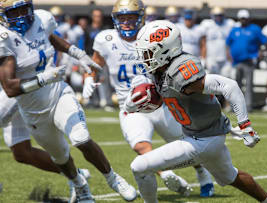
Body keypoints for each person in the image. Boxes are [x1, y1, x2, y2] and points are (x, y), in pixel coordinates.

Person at [126, 20, 267, 203]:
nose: (145, 57)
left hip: (201, 141)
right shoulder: (161, 70)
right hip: (205, 135)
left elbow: (230, 86)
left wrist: (245, 124)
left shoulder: (181, 70)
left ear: (165, 50)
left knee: (139, 167)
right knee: (231, 177)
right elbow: (189, 101)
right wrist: (136, 104)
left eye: (148, 52)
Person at [0, 0, 136, 202]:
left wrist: (78, 54)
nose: (21, 16)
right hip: (32, 108)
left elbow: (50, 38)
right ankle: (80, 185)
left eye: (23, 9)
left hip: (58, 92)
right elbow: (10, 88)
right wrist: (43, 78)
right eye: (14, 12)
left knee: (81, 138)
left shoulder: (42, 19)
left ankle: (113, 178)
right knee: (60, 156)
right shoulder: (5, 39)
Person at [84, 0, 215, 197]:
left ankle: (203, 173)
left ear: (141, 18)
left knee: (184, 143)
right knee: (139, 144)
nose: (126, 22)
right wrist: (89, 79)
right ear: (115, 19)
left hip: (160, 102)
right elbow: (94, 64)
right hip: (130, 106)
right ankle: (166, 173)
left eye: (131, 17)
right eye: (122, 18)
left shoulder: (153, 36)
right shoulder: (105, 39)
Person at [226, 9, 267, 112]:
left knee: (248, 85)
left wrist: (261, 53)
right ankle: (235, 106)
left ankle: (248, 106)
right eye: (241, 18)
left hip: (249, 61)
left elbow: (264, 41)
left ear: (249, 19)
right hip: (236, 62)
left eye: (245, 18)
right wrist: (229, 56)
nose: (243, 20)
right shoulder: (234, 30)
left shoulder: (255, 29)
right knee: (235, 85)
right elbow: (228, 44)